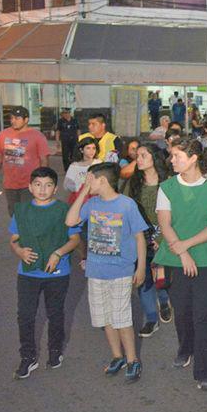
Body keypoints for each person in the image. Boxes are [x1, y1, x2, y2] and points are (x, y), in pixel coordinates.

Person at [154, 138, 207, 390]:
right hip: (175, 257)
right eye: (172, 156)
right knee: (183, 311)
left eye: (177, 156)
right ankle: (185, 346)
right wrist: (183, 252)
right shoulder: (166, 187)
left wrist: (187, 246)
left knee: (203, 315)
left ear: (194, 158)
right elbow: (165, 224)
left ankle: (204, 370)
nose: (172, 160)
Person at [66, 163, 148, 383]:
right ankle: (117, 356)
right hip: (96, 270)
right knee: (105, 318)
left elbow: (140, 237)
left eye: (90, 179)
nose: (87, 182)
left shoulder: (127, 205)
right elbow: (70, 220)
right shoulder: (91, 203)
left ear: (101, 180)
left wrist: (140, 267)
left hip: (120, 270)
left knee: (121, 318)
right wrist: (83, 191)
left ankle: (133, 360)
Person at [10, 167, 81, 379]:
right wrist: (19, 251)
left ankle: (55, 350)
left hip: (57, 273)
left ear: (55, 188)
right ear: (30, 187)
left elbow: (75, 239)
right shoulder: (21, 210)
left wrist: (58, 253)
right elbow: (14, 239)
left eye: (48, 185)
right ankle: (28, 356)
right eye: (38, 185)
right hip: (28, 272)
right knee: (25, 315)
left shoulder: (63, 210)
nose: (43, 189)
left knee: (55, 313)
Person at [123, 143, 174, 338]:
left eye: (144, 155)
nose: (139, 158)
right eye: (138, 155)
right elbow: (125, 210)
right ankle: (151, 319)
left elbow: (175, 212)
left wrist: (162, 237)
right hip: (139, 237)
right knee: (142, 279)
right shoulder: (132, 183)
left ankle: (163, 299)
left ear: (155, 158)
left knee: (159, 276)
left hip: (163, 234)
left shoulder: (169, 183)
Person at [0, 107, 50, 216]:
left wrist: (43, 181)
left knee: (28, 215)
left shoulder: (37, 136)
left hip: (29, 184)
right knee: (14, 215)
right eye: (11, 118)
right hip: (9, 185)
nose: (13, 121)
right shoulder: (2, 135)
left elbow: (44, 160)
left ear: (26, 120)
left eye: (17, 118)